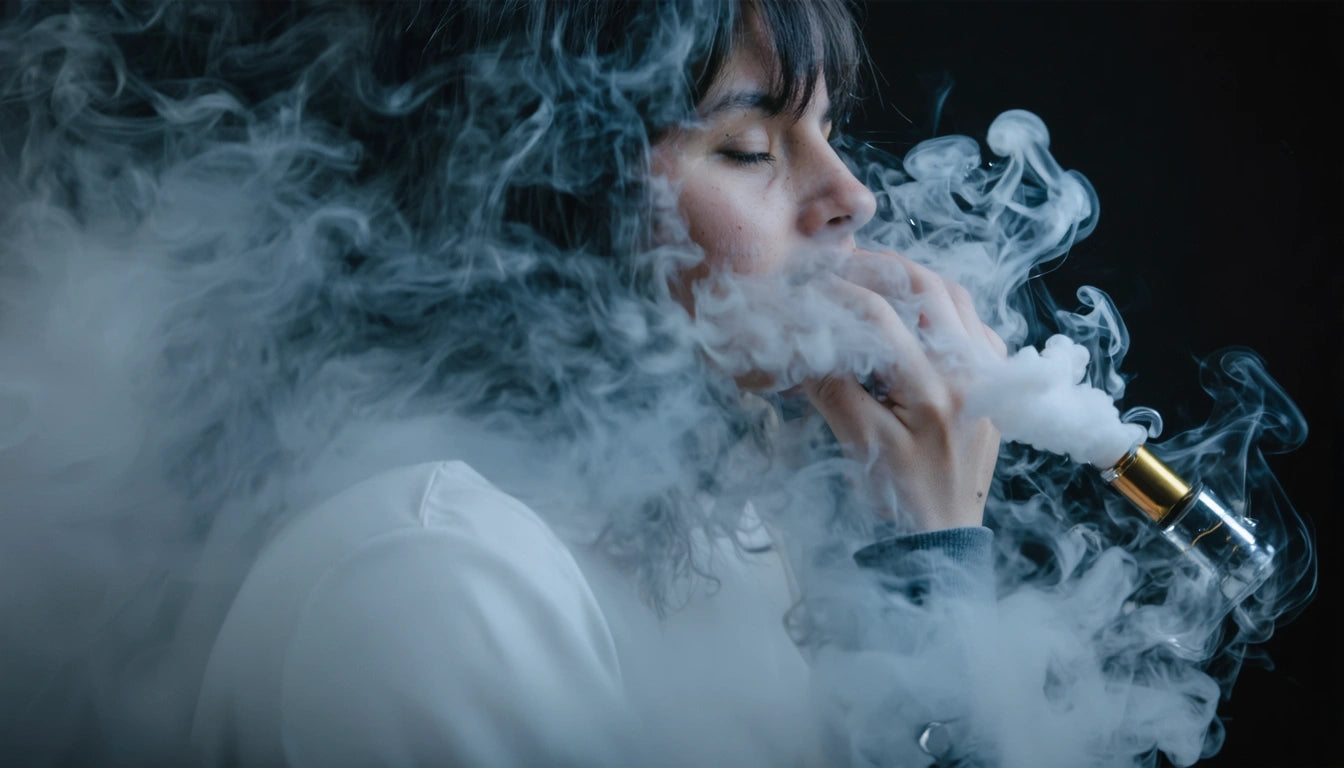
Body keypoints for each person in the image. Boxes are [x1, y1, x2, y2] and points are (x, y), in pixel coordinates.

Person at [176, 1, 1008, 766]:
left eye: (829, 130)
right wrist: (930, 574)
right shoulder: (435, 578)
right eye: (749, 148)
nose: (854, 197)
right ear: (550, 200)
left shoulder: (715, 531)